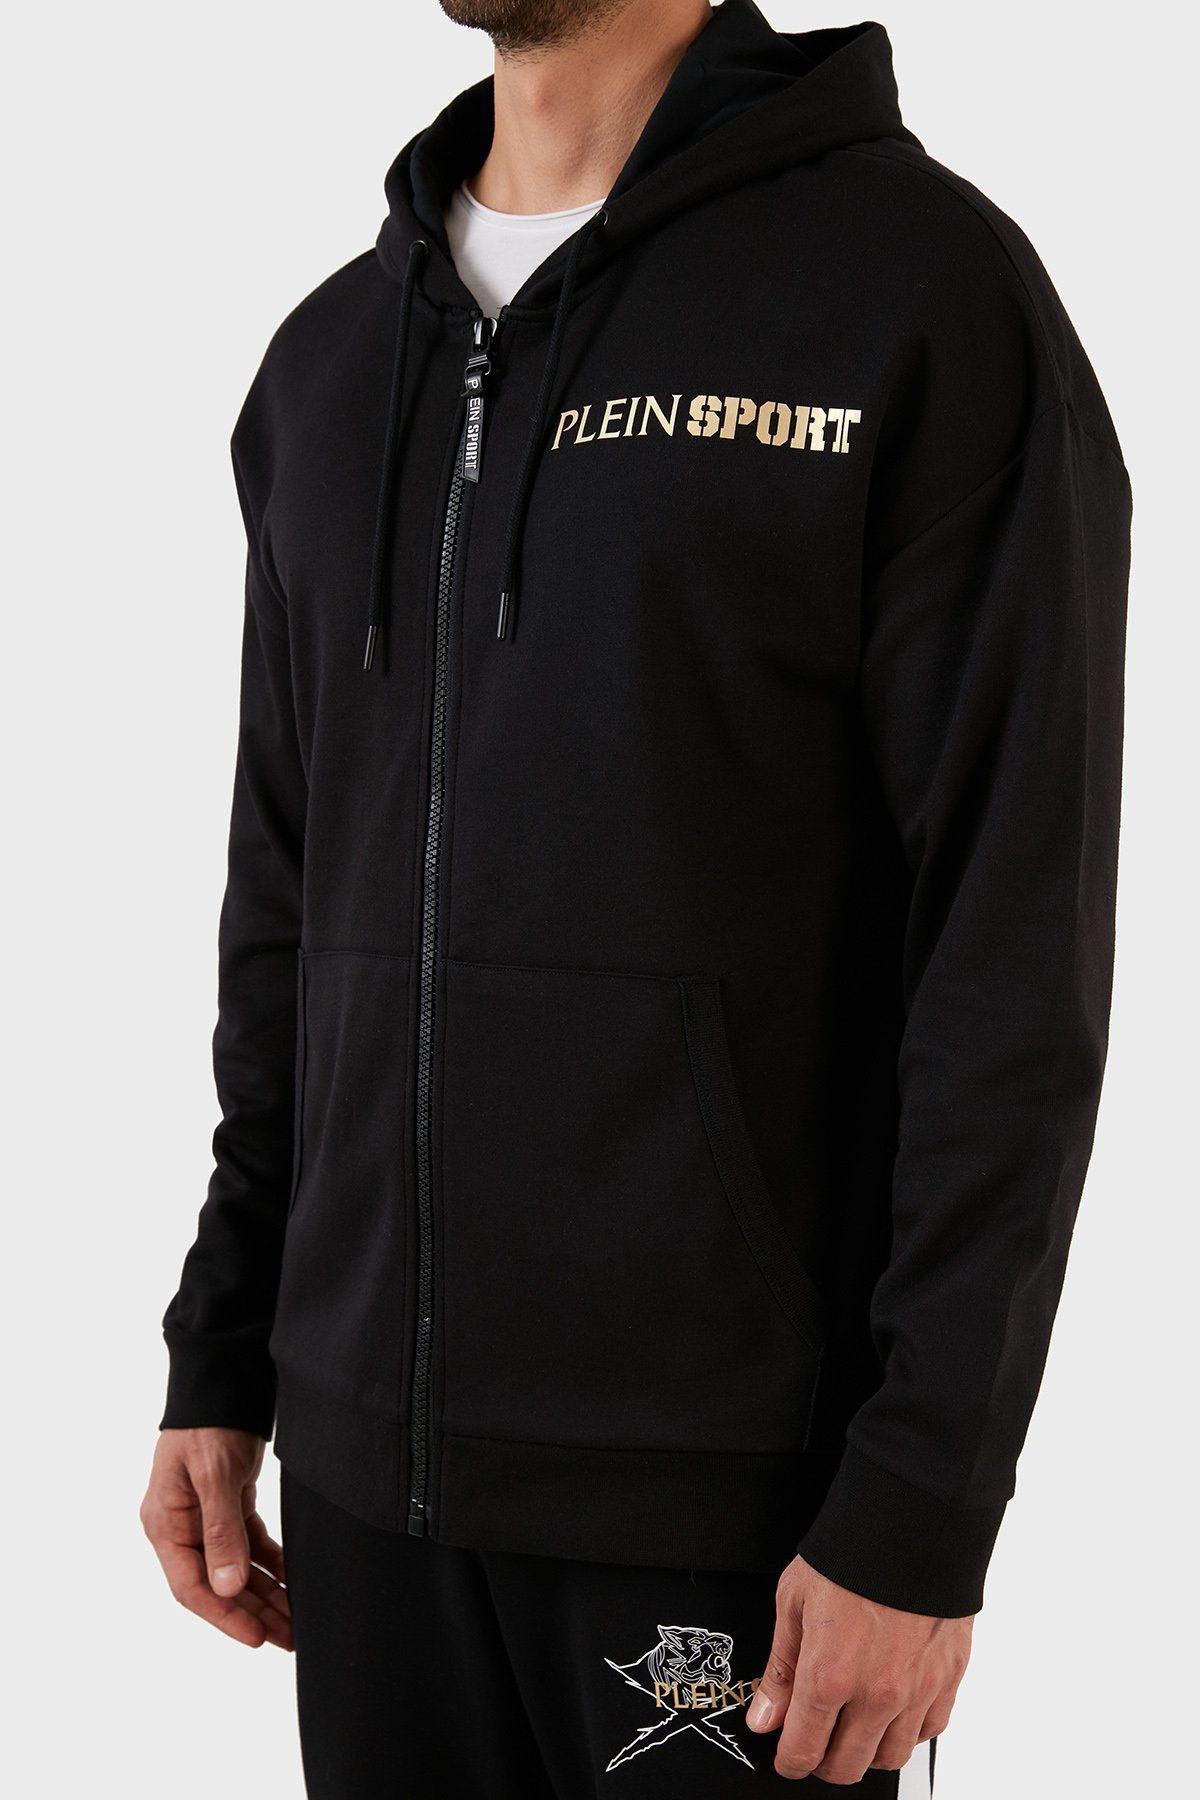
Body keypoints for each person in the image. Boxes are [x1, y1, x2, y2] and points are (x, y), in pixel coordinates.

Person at [139, 1, 1131, 1793]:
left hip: (734, 1519)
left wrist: (925, 1500)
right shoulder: (330, 364)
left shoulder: (918, 301)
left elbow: (1011, 949)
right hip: (364, 1498)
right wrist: (221, 1351)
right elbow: (283, 906)